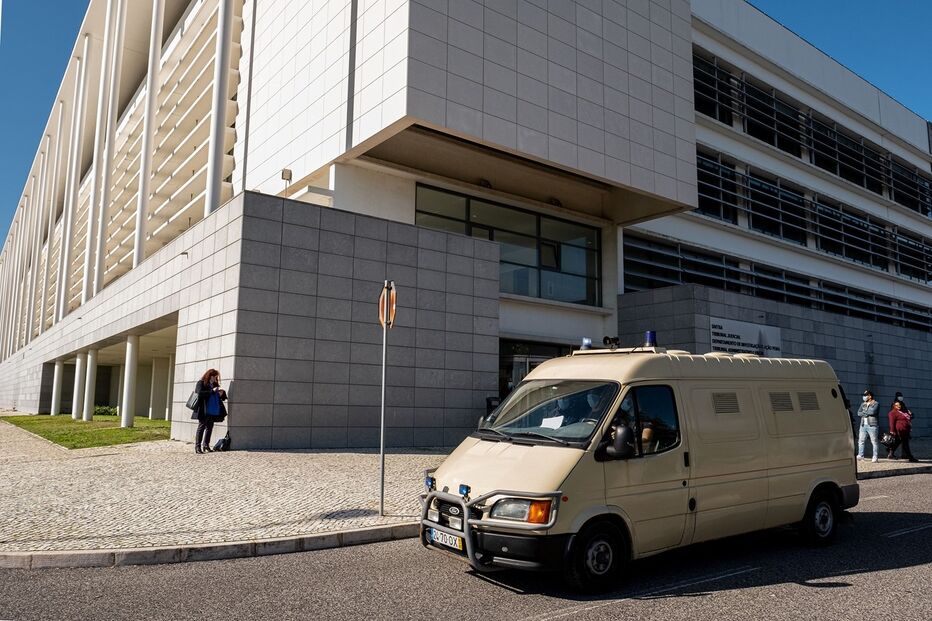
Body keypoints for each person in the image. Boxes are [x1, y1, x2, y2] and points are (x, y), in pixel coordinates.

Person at [191, 368, 227, 454]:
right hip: (204, 409)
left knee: (210, 428)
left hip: (213, 410)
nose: (216, 379)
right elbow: (199, 393)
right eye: (215, 377)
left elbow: (221, 398)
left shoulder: (214, 384)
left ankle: (206, 445)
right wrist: (211, 391)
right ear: (210, 376)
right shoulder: (201, 383)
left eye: (216, 377)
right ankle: (197, 447)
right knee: (201, 427)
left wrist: (221, 393)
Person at [856, 390, 881, 462]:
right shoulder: (863, 404)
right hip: (863, 425)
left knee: (874, 441)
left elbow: (872, 412)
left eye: (866, 395)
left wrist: (864, 412)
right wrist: (866, 413)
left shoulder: (876, 403)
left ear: (870, 396)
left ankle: (875, 457)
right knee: (861, 441)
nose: (864, 397)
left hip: (872, 425)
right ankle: (861, 455)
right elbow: (858, 413)